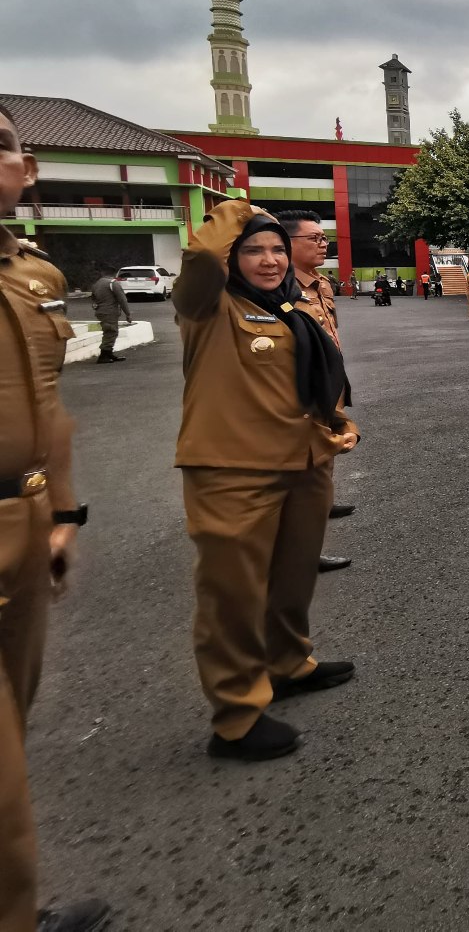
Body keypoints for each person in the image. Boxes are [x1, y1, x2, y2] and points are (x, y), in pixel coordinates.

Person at [174, 199, 359, 761]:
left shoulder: (288, 308)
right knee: (233, 595)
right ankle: (236, 716)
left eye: (278, 248)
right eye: (254, 250)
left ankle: (287, 662)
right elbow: (201, 255)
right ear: (232, 259)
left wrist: (337, 423)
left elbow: (305, 381)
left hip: (303, 463)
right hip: (235, 472)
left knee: (293, 575)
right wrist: (240, 208)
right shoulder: (208, 307)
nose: (270, 260)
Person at [1, 107, 112, 932]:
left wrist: (61, 511)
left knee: (16, 721)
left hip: (28, 518)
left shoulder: (32, 277)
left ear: (24, 169)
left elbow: (49, 407)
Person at [275, 211, 356, 570]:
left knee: (326, 450)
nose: (324, 244)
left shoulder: (320, 283)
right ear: (287, 243)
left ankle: (323, 499)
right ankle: (300, 552)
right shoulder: (279, 287)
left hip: (328, 382)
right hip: (301, 391)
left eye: (324, 238)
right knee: (300, 470)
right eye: (315, 239)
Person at [88, 264, 133, 364]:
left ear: (103, 273)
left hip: (100, 311)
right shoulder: (113, 283)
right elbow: (122, 300)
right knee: (111, 332)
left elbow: (93, 298)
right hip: (110, 311)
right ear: (114, 273)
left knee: (108, 331)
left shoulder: (97, 284)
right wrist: (128, 314)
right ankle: (104, 355)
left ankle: (108, 354)